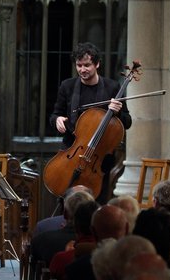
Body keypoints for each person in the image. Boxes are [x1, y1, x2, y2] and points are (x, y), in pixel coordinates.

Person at [49, 42, 132, 202]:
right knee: (65, 200)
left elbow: (127, 122)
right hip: (72, 153)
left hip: (99, 160)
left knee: (97, 202)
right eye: (79, 65)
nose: (82, 70)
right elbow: (55, 115)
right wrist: (57, 120)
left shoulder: (112, 88)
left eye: (87, 65)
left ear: (97, 64)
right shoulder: (68, 86)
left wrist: (118, 111)